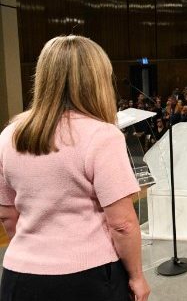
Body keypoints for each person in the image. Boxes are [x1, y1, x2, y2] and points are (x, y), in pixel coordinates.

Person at [0, 36, 150, 301]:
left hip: (19, 277)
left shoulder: (9, 135)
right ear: (97, 80)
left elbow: (7, 215)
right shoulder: (102, 136)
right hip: (87, 278)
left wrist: (33, 253)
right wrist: (137, 276)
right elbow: (122, 224)